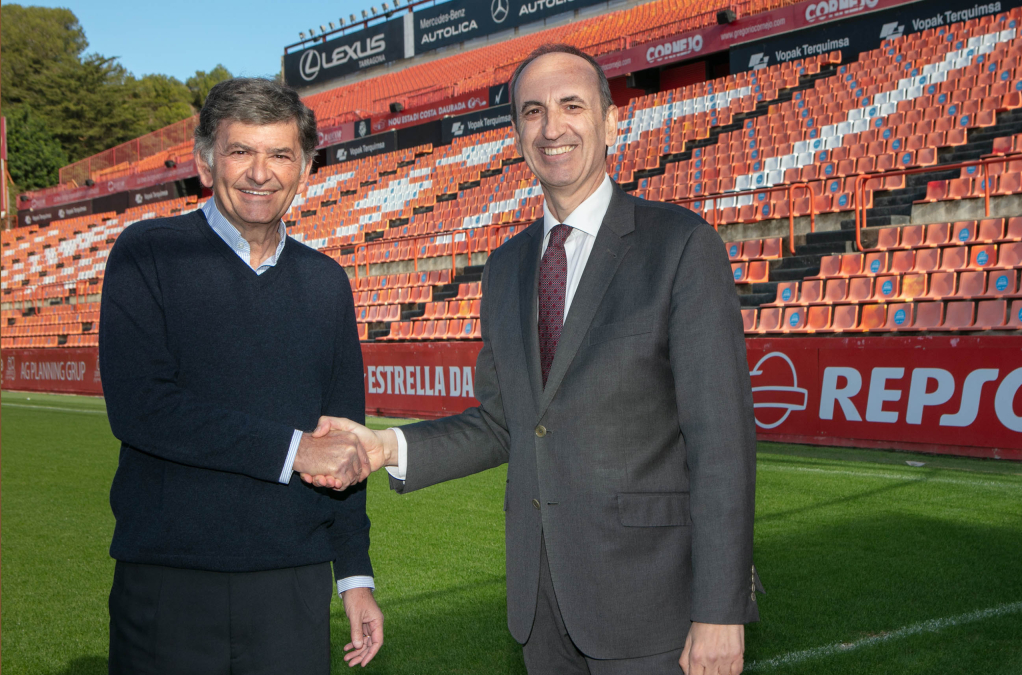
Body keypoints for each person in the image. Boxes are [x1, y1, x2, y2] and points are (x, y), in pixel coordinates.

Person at [315, 43, 760, 673]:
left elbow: (721, 444)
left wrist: (720, 610)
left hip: (655, 608)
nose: (552, 127)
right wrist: (388, 447)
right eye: (532, 112)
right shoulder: (507, 266)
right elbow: (506, 423)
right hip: (541, 611)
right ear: (518, 132)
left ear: (609, 123)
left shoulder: (681, 246)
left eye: (571, 105)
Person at [100, 77, 383, 674]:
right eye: (240, 152)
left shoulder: (327, 282)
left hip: (292, 582)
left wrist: (355, 575)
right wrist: (294, 450)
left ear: (305, 167)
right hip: (169, 577)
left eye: (280, 154)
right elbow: (140, 408)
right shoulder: (148, 251)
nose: (261, 172)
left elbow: (344, 439)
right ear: (206, 162)